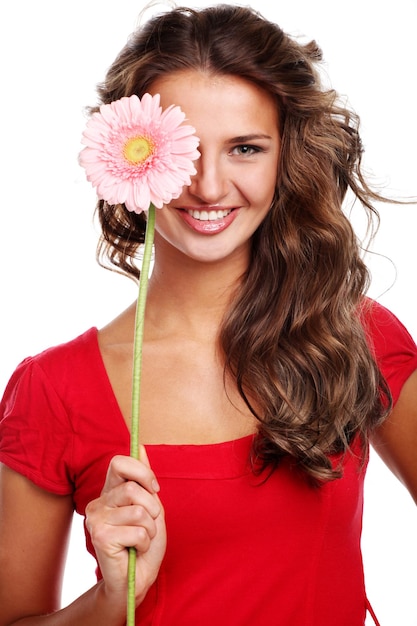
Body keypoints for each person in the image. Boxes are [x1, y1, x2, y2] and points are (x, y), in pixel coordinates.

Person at [0, 3, 416, 625]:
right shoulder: (53, 391)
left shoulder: (353, 334)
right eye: (185, 149)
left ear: (286, 157)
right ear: (131, 157)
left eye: (245, 148)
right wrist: (113, 598)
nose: (210, 187)